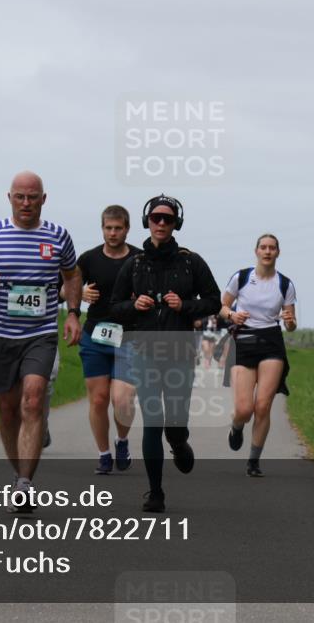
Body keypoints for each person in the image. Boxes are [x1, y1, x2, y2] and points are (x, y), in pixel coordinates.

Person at [0, 171, 82, 513]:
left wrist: (73, 313)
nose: (26, 203)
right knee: (7, 409)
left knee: (32, 400)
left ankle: (25, 483)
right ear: (9, 198)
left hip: (40, 335)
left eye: (33, 197)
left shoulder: (58, 236)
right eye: (20, 197)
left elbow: (72, 275)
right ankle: (18, 473)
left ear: (44, 199)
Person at [109, 195, 220, 512]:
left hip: (180, 350)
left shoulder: (191, 262)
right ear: (147, 221)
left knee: (174, 420)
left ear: (176, 224)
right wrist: (134, 306)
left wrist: (184, 305)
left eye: (167, 219)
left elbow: (213, 301)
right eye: (156, 218)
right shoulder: (135, 263)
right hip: (144, 350)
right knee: (152, 420)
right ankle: (155, 492)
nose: (160, 223)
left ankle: (179, 440)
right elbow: (114, 308)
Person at [221, 234, 297, 477]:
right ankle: (236, 427)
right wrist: (232, 316)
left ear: (278, 252)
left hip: (271, 342)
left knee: (263, 406)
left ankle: (253, 461)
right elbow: (221, 307)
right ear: (256, 251)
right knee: (244, 409)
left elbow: (291, 323)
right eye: (263, 247)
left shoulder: (285, 284)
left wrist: (291, 321)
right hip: (244, 341)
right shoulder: (242, 277)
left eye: (272, 248)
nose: (267, 251)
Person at [75, 205, 141, 474]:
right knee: (99, 399)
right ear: (102, 228)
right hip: (95, 336)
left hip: (130, 338)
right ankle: (104, 454)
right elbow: (65, 288)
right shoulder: (89, 259)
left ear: (127, 229)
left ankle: (122, 441)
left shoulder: (140, 258)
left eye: (118, 228)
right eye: (108, 228)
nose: (112, 233)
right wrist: (80, 294)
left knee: (122, 399)